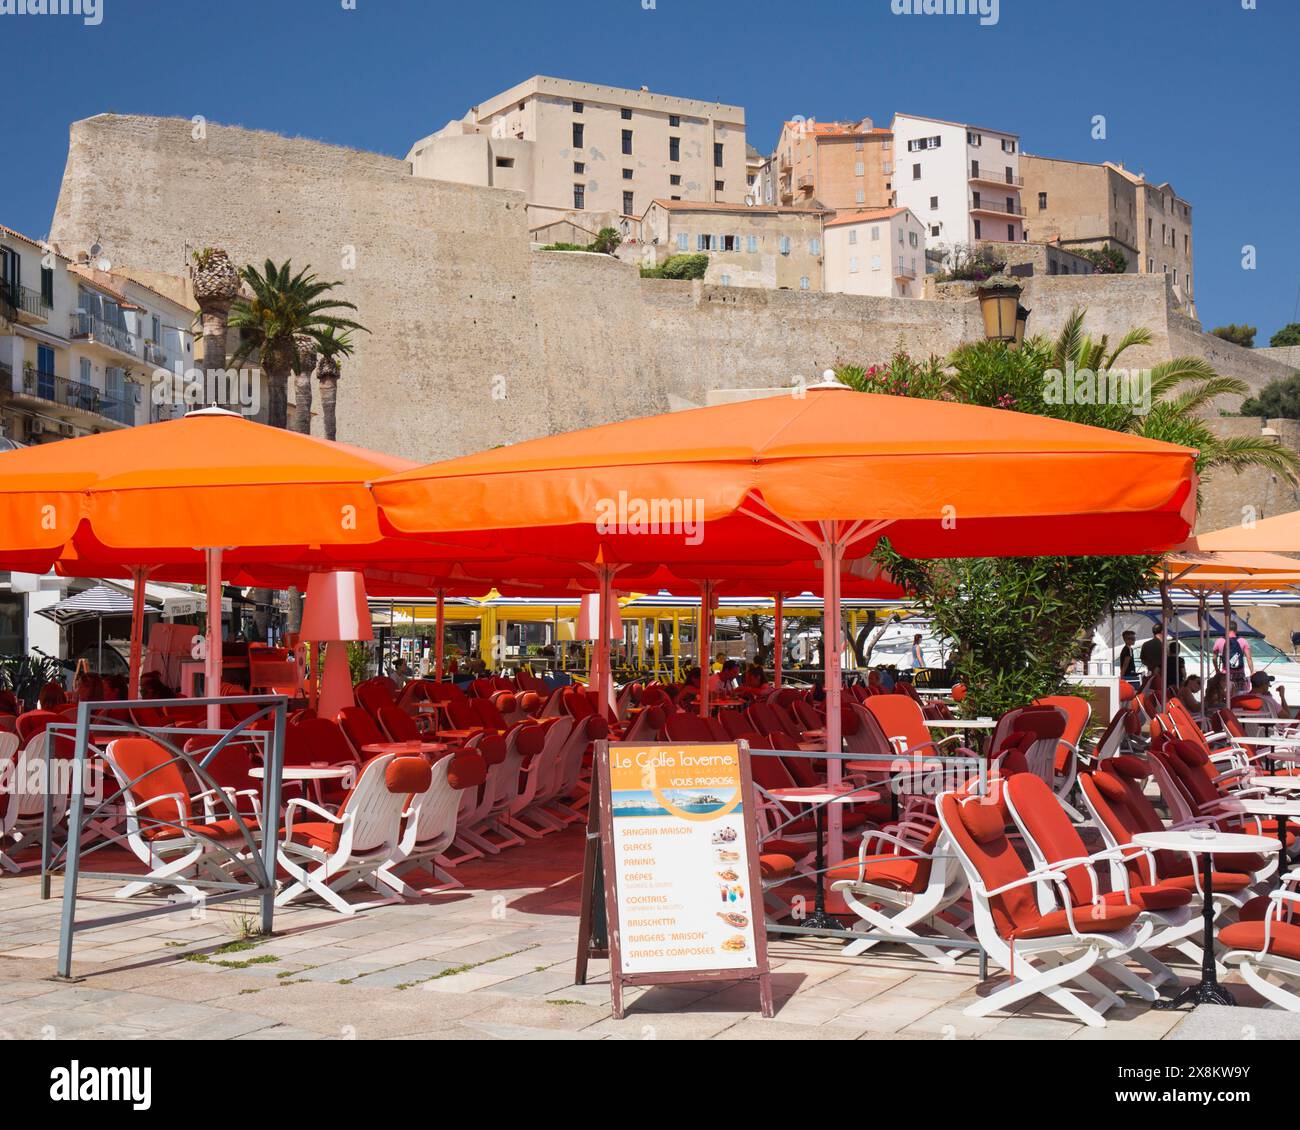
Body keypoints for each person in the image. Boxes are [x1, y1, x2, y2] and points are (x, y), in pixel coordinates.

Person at [1213, 620, 1254, 695]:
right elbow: (1249, 658)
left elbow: (1214, 658)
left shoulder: (1219, 641)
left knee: (1226, 696)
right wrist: (1252, 672)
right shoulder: (1243, 641)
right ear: (1236, 629)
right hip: (1240, 674)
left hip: (1226, 674)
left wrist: (1217, 670)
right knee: (1240, 696)